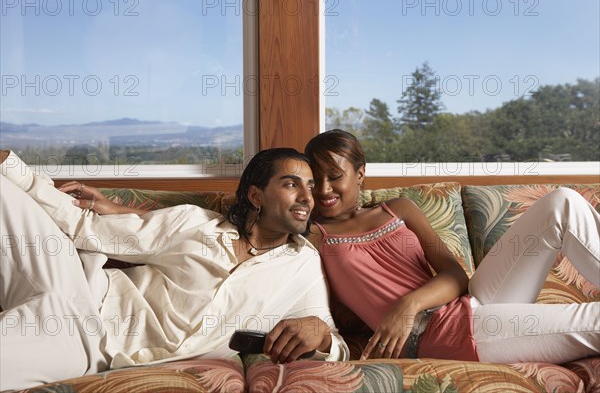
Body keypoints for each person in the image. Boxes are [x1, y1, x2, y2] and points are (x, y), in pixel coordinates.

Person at [0, 148, 349, 391]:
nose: (307, 197)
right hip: (78, 283)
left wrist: (318, 333)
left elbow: (336, 345)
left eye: (310, 187)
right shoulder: (194, 223)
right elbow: (84, 226)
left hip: (88, 339)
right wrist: (14, 168)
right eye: (292, 184)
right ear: (257, 196)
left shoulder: (302, 265)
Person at [304, 129, 599, 364]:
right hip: (444, 334)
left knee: (563, 201)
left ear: (360, 174)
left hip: (474, 301)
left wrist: (409, 304)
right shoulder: (315, 237)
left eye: (334, 176)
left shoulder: (399, 209)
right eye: (315, 181)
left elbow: (455, 275)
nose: (324, 189)